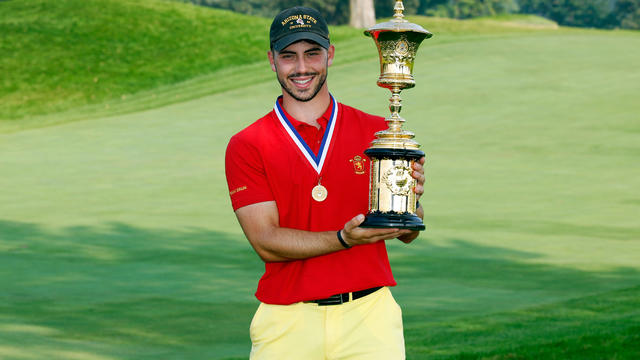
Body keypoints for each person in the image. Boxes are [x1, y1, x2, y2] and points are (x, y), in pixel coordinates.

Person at [225, 6, 425, 360]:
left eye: (312, 53)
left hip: (369, 317)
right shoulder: (248, 144)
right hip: (286, 321)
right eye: (289, 56)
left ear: (329, 54)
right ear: (272, 60)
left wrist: (409, 200)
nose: (302, 68)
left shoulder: (377, 132)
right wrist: (344, 239)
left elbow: (408, 232)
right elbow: (266, 243)